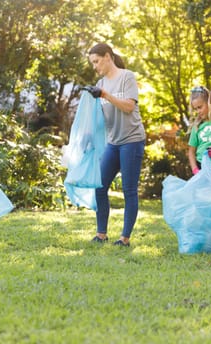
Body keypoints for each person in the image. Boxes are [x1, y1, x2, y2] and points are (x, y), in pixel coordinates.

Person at [83, 43, 146, 247]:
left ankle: (124, 239)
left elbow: (128, 106)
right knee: (99, 187)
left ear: (107, 57)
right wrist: (87, 137)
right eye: (92, 62)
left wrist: (104, 95)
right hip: (113, 142)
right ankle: (101, 234)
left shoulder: (126, 77)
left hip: (132, 140)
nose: (95, 66)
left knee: (129, 190)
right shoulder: (101, 83)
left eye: (97, 61)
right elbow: (99, 116)